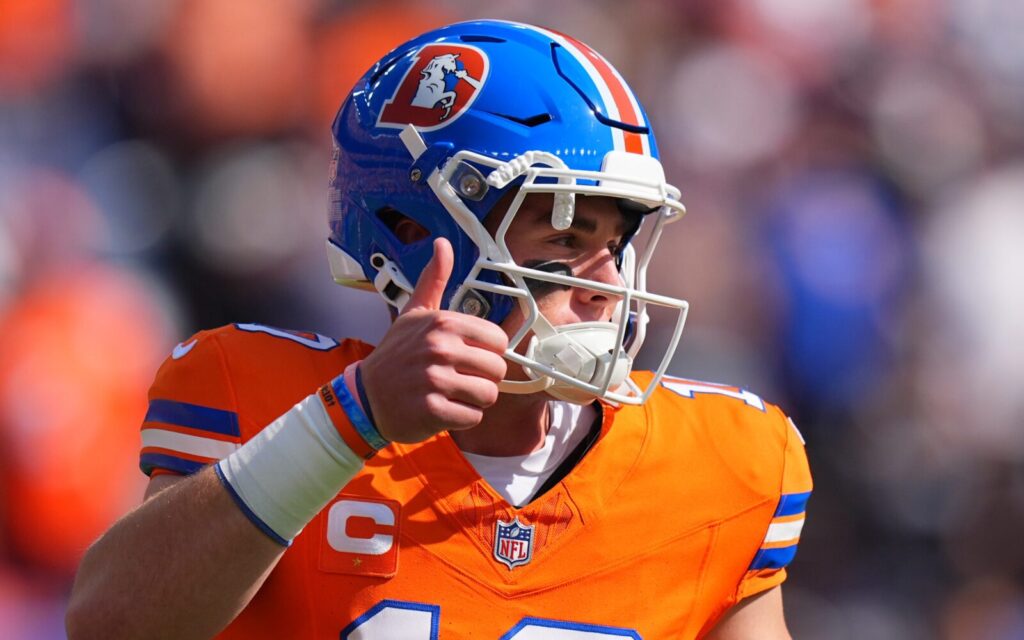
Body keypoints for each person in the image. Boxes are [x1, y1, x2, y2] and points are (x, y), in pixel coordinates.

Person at [66, 19, 811, 639]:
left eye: (614, 247)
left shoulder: (726, 462)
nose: (608, 286)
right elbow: (111, 624)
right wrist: (348, 425)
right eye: (562, 245)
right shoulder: (257, 398)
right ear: (411, 233)